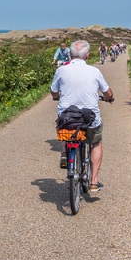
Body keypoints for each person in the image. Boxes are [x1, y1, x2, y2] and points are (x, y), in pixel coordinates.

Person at [50, 40, 114, 192]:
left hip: (68, 117)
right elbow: (108, 93)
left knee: (68, 130)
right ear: (88, 55)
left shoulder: (61, 71)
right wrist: (109, 98)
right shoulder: (94, 71)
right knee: (96, 142)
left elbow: (53, 91)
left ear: (70, 55)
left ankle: (66, 152)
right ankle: (94, 181)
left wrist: (56, 96)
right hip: (89, 118)